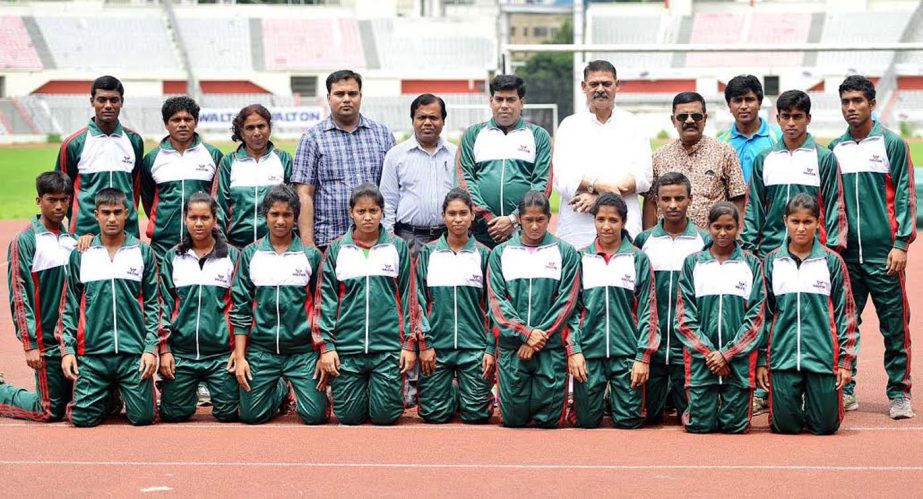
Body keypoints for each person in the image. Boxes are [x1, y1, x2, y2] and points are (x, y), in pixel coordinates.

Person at [829, 75, 916, 419]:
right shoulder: (836, 148)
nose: (851, 108)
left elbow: (907, 194)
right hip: (847, 255)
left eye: (857, 101)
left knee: (895, 325)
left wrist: (901, 243)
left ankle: (899, 393)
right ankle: (846, 389)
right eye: (846, 102)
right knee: (845, 324)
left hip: (885, 254)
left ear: (872, 104)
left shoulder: (892, 144)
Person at [314, 183, 417, 425]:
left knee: (385, 418)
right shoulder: (337, 249)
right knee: (349, 418)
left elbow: (410, 297)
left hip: (388, 349)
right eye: (361, 211)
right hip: (347, 350)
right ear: (351, 212)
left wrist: (409, 344)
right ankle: (356, 392)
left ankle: (381, 392)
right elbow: (324, 302)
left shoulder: (397, 247)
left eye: (373, 211)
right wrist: (326, 346)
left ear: (382, 212)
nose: (368, 217)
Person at [757, 194, 858, 434]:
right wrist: (762, 359)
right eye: (795, 221)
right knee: (785, 427)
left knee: (825, 427)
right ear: (785, 221)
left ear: (817, 222)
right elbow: (763, 315)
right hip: (783, 357)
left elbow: (847, 315)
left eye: (807, 222)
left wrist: (845, 361)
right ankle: (789, 404)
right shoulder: (771, 262)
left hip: (822, 357)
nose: (801, 228)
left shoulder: (832, 262)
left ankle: (818, 404)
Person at [59, 188, 160, 427]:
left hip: (132, 354)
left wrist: (150, 348)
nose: (112, 218)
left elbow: (155, 305)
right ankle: (109, 394)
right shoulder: (82, 255)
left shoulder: (142, 252)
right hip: (93, 355)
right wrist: (68, 350)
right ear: (96, 215)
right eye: (106, 213)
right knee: (82, 419)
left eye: (117, 212)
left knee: (143, 418)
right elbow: (69, 307)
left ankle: (120, 389)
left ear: (127, 213)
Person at [229, 185, 327, 425]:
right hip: (262, 351)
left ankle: (298, 389)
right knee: (252, 417)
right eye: (275, 214)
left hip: (302, 351)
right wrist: (241, 357)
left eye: (287, 215)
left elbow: (322, 307)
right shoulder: (251, 254)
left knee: (315, 417)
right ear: (265, 215)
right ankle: (281, 391)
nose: (280, 221)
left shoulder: (311, 256)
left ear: (295, 216)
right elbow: (240, 308)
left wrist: (321, 351)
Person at [487, 191, 580, 428]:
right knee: (512, 420)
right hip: (513, 348)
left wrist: (538, 337)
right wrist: (525, 333)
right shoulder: (501, 253)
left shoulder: (565, 252)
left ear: (549, 218)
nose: (535, 226)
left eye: (541, 220)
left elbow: (567, 301)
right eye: (529, 220)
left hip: (549, 348)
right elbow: (497, 303)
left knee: (549, 421)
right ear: (520, 219)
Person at [566, 193, 658, 429]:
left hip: (627, 354)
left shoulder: (638, 259)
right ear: (594, 220)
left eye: (613, 220)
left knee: (629, 422)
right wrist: (575, 350)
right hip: (590, 354)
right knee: (586, 422)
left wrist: (642, 357)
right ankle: (601, 399)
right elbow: (572, 310)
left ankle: (615, 398)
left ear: (624, 222)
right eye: (601, 219)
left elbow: (649, 311)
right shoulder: (581, 258)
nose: (606, 226)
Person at [675, 202, 766, 434]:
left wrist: (727, 354)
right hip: (702, 362)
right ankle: (699, 409)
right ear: (708, 227)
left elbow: (756, 318)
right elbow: (684, 318)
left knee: (735, 427)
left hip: (737, 362)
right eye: (717, 227)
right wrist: (710, 354)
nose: (723, 233)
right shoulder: (693, 263)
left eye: (729, 227)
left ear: (738, 228)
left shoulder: (752, 264)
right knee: (699, 426)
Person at [634, 172, 710, 423]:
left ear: (690, 199)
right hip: (653, 350)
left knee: (695, 420)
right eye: (666, 199)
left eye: (679, 198)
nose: (673, 205)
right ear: (657, 201)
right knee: (645, 419)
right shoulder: (644, 241)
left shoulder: (705, 242)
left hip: (687, 350)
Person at [1, 172, 76, 421]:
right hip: (46, 343)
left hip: (74, 342)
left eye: (63, 200)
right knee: (50, 411)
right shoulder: (25, 241)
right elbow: (19, 294)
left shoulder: (74, 241)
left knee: (86, 406)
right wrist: (30, 343)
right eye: (51, 199)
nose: (58, 206)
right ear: (38, 201)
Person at [158, 193, 240, 423]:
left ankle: (278, 391)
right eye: (193, 217)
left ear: (215, 219)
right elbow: (162, 306)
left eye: (205, 217)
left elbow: (242, 306)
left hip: (221, 354)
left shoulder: (233, 256)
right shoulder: (172, 257)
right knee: (173, 414)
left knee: (230, 414)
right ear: (185, 219)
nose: (199, 223)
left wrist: (238, 351)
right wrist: (165, 350)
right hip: (182, 355)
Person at [415, 188, 495, 424]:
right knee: (434, 415)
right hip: (436, 347)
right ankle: (448, 393)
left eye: (463, 213)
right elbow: (417, 301)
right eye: (452, 213)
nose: (457, 219)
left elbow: (493, 305)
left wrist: (490, 348)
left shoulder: (485, 254)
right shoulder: (429, 253)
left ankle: (468, 394)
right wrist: (425, 343)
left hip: (474, 347)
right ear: (443, 216)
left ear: (472, 216)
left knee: (477, 415)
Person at [294, 70, 396, 252]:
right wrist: (308, 243)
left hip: (375, 241)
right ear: (328, 97)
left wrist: (389, 234)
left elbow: (391, 191)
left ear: (360, 96)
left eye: (352, 93)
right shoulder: (312, 138)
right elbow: (304, 194)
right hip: (329, 239)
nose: (347, 99)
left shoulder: (383, 134)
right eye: (340, 94)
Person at [552, 60, 653, 244]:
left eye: (606, 84)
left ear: (617, 85)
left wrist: (598, 198)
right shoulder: (569, 126)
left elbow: (643, 178)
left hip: (623, 227)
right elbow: (562, 179)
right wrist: (599, 187)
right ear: (584, 86)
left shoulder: (633, 125)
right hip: (577, 230)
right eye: (594, 84)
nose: (600, 89)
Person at [742, 90, 846, 260]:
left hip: (814, 253)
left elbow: (835, 205)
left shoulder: (824, 158)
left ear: (808, 118)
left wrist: (832, 249)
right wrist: (748, 247)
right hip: (769, 253)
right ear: (778, 119)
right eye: (786, 116)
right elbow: (754, 207)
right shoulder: (764, 159)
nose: (791, 123)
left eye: (797, 116)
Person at [457, 75, 552, 248]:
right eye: (499, 99)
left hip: (524, 231)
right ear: (491, 101)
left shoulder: (539, 136)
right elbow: (465, 179)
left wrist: (514, 219)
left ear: (521, 103)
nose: (504, 106)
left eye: (511, 100)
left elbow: (542, 184)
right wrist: (489, 218)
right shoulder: (473, 134)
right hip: (481, 231)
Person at [643, 92, 746, 230]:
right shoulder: (658, 157)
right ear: (673, 120)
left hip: (712, 244)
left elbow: (738, 199)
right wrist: (649, 238)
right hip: (668, 242)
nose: (690, 120)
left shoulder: (725, 153)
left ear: (705, 118)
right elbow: (651, 202)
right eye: (682, 117)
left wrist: (736, 236)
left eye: (696, 116)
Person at [56, 75, 143, 237]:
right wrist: (78, 219)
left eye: (114, 100)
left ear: (121, 102)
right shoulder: (74, 143)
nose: (108, 106)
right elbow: (62, 190)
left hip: (127, 231)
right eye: (102, 100)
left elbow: (136, 188)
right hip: (85, 233)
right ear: (92, 101)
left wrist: (128, 212)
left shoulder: (134, 140)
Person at [141, 96, 223, 258]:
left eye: (188, 119)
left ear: (196, 122)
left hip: (202, 244)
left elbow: (219, 199)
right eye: (176, 119)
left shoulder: (213, 155)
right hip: (162, 246)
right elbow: (148, 199)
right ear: (166, 124)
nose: (183, 124)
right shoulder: (152, 159)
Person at [380, 93, 457, 256]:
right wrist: (390, 239)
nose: (427, 122)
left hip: (448, 238)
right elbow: (388, 201)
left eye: (433, 118)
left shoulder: (455, 154)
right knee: (412, 282)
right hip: (409, 239)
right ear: (413, 120)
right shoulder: (396, 155)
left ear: (443, 121)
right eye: (421, 117)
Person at [214, 104, 292, 249]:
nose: (257, 132)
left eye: (261, 126)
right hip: (236, 247)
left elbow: (294, 205)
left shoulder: (284, 159)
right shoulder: (229, 162)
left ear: (269, 128)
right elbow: (219, 207)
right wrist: (223, 245)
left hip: (275, 247)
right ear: (241, 133)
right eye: (250, 128)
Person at [718, 75, 781, 183]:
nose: (743, 106)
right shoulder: (721, 144)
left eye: (749, 100)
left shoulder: (779, 138)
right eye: (738, 101)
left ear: (760, 103)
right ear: (729, 106)